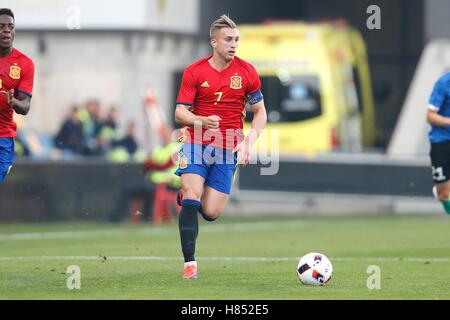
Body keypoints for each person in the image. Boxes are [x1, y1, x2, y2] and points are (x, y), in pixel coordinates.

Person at [174, 14, 267, 279]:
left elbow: (260, 113)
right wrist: (201, 120)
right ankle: (189, 264)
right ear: (214, 42)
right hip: (195, 142)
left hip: (228, 146)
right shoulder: (194, 71)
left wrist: (248, 143)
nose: (234, 44)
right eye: (228, 39)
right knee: (192, 195)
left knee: (211, 212)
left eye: (236, 39)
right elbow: (180, 113)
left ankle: (188, 200)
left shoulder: (247, 72)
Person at [0, 8, 35, 184]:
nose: (6, 30)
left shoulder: (24, 64)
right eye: (1, 26)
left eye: (10, 26)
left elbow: (25, 106)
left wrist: (13, 101)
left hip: (3, 137)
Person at [426, 71, 450, 214]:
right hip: (441, 142)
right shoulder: (444, 82)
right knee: (443, 195)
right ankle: (441, 191)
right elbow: (430, 116)